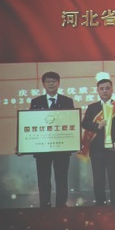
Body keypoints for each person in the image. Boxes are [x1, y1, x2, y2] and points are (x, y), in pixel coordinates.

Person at [29, 71, 75, 208]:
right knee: (43, 179)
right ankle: (45, 205)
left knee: (61, 179)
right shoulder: (36, 102)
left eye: (53, 81)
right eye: (48, 81)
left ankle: (61, 206)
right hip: (42, 148)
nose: (51, 84)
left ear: (58, 83)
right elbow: (30, 123)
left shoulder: (67, 101)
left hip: (62, 148)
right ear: (43, 84)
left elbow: (72, 122)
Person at [81, 78, 115, 206]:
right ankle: (100, 203)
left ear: (112, 89)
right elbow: (85, 123)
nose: (105, 91)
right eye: (102, 89)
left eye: (107, 88)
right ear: (97, 90)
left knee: (114, 177)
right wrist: (97, 125)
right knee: (98, 178)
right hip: (96, 149)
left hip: (113, 148)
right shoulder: (92, 107)